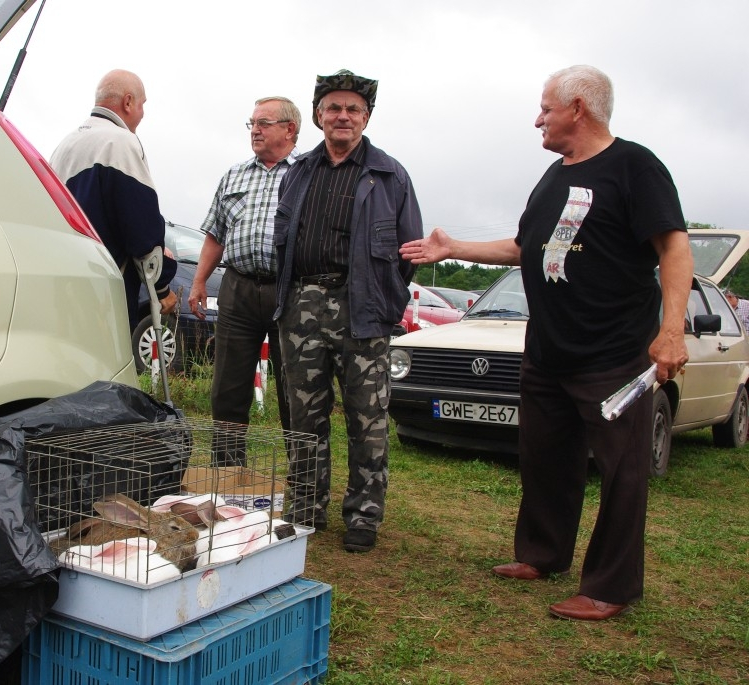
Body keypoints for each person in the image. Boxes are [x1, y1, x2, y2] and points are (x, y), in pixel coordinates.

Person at [400, 65, 693, 620]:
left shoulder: (634, 166)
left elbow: (674, 249)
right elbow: (523, 248)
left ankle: (608, 587)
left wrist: (671, 329)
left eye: (545, 108)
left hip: (611, 354)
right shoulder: (553, 176)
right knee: (545, 459)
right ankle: (542, 554)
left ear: (578, 108)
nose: (538, 119)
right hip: (548, 351)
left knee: (622, 471)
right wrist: (452, 245)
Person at [273, 69, 424, 553]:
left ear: (366, 117)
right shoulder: (298, 172)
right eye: (333, 108)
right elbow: (282, 242)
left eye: (353, 109)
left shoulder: (389, 175)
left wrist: (386, 300)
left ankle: (363, 516)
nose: (343, 116)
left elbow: (409, 251)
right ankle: (303, 510)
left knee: (367, 419)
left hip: (363, 310)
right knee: (304, 418)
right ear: (319, 116)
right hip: (302, 307)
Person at [189, 96, 301, 463]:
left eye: (264, 123)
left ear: (290, 129)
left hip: (291, 291)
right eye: (252, 123)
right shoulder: (234, 175)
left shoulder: (308, 175)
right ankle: (227, 474)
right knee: (227, 389)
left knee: (295, 390)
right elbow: (215, 235)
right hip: (237, 288)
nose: (255, 129)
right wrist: (199, 281)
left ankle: (302, 484)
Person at [49, 69, 177, 329]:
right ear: (128, 102)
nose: (143, 113)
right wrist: (162, 286)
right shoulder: (121, 143)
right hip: (105, 287)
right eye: (142, 105)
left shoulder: (64, 145)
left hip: (65, 282)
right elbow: (140, 227)